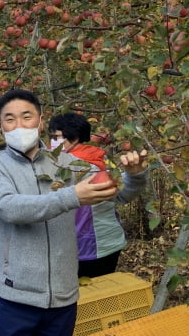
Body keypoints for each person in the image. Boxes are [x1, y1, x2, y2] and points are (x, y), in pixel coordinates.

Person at [0, 89, 149, 336]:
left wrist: (135, 175)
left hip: (63, 295)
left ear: (41, 120)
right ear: (1, 125)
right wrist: (72, 196)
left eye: (27, 117)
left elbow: (118, 194)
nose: (19, 125)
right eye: (10, 119)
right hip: (17, 295)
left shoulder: (67, 165)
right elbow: (10, 208)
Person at [49, 112, 147, 278]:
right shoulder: (101, 160)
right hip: (107, 244)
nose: (52, 143)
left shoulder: (63, 167)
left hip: (79, 248)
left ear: (72, 139)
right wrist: (135, 176)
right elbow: (123, 195)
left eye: (56, 137)